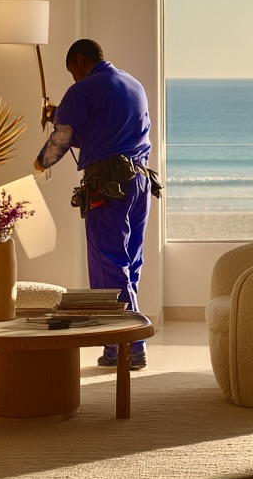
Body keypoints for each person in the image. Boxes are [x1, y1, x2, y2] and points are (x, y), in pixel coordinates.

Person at [34, 39, 160, 369]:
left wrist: (40, 163)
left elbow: (62, 140)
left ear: (79, 59)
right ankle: (115, 345)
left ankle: (130, 345)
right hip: (140, 181)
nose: (74, 78)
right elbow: (100, 130)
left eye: (72, 71)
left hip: (108, 186)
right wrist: (61, 114)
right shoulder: (133, 84)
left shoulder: (83, 90)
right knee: (129, 264)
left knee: (108, 265)